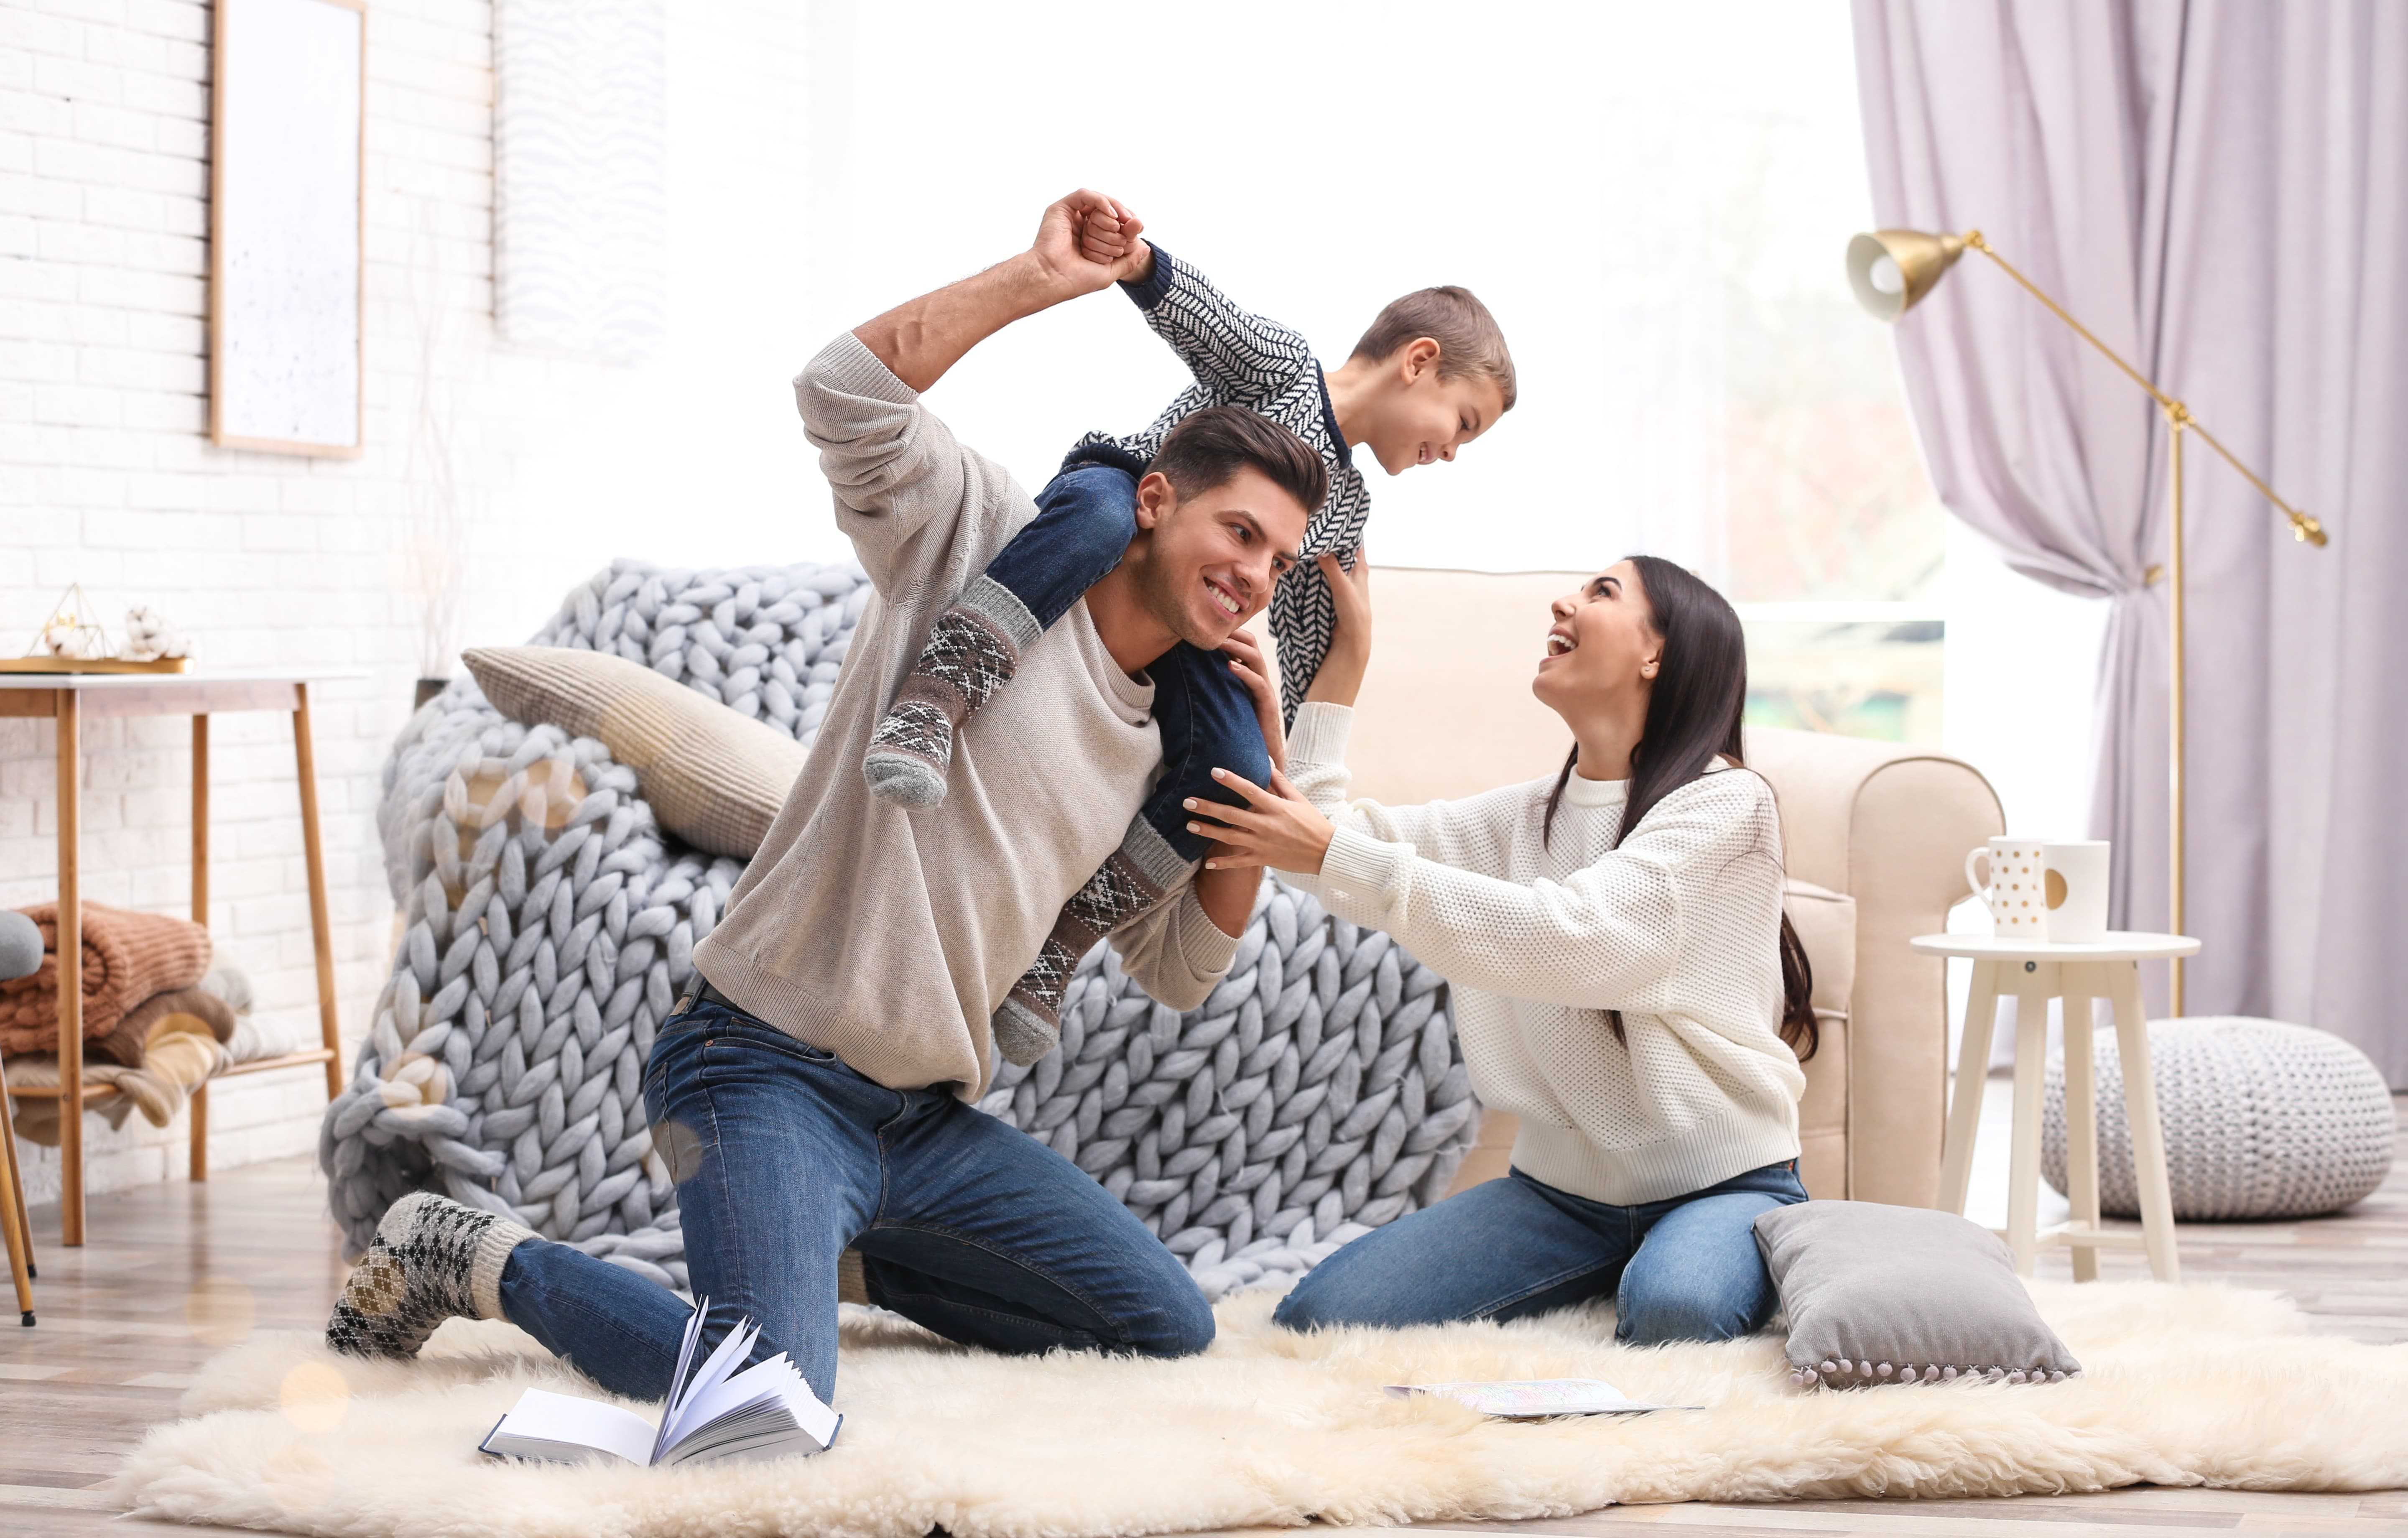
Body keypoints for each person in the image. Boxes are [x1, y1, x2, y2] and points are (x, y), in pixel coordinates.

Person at [324, 191, 1325, 1411]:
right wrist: (1034, 279)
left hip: (923, 1124)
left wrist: (1258, 770)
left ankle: (833, 1251)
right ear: (1157, 502)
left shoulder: (1180, 730)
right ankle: (472, 1253)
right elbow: (841, 392)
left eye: (1279, 561)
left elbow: (1182, 971)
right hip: (759, 1067)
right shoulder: (985, 538)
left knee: (1163, 1323)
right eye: (1240, 532)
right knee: (764, 1400)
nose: (1254, 578)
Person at [861, 196, 1518, 1066]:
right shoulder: (1283, 370)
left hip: (1191, 626)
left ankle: (1060, 947)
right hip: (1125, 502)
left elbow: (1308, 643)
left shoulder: (1345, 512)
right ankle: (933, 701)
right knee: (1099, 520)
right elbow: (1212, 324)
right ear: (1420, 362)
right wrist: (1134, 262)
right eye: (1462, 424)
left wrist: (1345, 664)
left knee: (1240, 774)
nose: (1453, 454)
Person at [1184, 553, 1819, 1344]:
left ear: (1657, 654)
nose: (1564, 600)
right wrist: (1344, 667)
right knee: (1323, 1318)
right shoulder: (1522, 819)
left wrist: (1333, 855)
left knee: (1676, 1312)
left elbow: (1579, 939)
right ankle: (1614, 1270)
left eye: (1602, 591)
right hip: (1558, 1199)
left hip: (1720, 1183)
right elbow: (1322, 853)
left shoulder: (1729, 804)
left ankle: (1718, 1249)